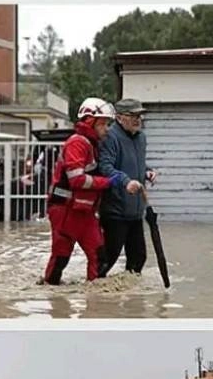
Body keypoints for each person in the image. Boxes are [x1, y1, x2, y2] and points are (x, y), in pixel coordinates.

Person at [41, 98, 140, 285]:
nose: (107, 128)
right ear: (89, 122)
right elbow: (77, 179)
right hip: (66, 211)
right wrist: (109, 182)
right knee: (61, 257)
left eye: (107, 123)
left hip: (83, 212)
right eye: (102, 123)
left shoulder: (92, 144)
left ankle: (95, 303)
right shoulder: (77, 143)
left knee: (100, 257)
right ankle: (54, 300)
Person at [98, 98, 156, 276]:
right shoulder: (110, 137)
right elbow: (105, 167)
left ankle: (130, 299)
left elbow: (135, 164)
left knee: (139, 258)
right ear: (119, 117)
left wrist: (147, 172)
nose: (138, 119)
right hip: (115, 210)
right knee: (109, 258)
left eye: (140, 115)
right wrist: (125, 181)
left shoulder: (141, 138)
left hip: (136, 210)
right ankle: (93, 293)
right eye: (133, 115)